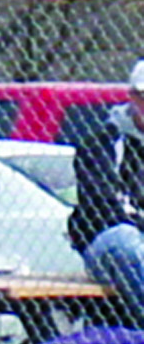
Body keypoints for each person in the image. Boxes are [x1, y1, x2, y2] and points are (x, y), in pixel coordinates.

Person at [67, 59, 144, 325]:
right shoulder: (101, 144)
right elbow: (106, 208)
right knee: (125, 240)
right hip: (108, 243)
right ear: (132, 97)